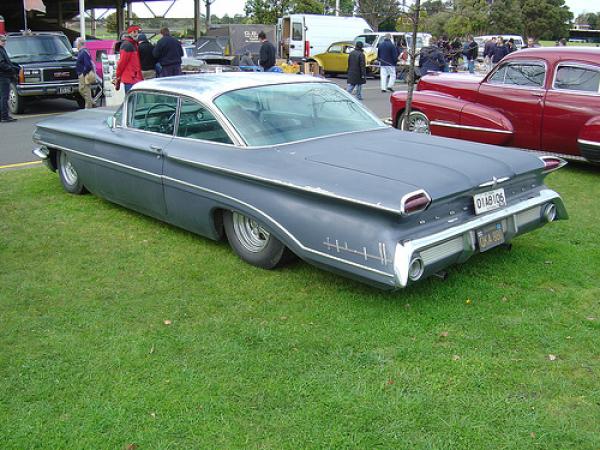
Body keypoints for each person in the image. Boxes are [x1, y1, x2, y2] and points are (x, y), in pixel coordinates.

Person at [116, 25, 143, 93]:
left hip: (134, 77)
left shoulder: (134, 44)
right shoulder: (128, 45)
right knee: (132, 101)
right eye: (134, 32)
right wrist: (118, 76)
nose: (136, 34)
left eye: (137, 32)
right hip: (131, 78)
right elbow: (121, 63)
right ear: (130, 33)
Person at [0, 34, 20, 122]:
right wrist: (12, 69)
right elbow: (2, 64)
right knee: (4, 97)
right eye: (3, 41)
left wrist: (14, 66)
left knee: (2, 96)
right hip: (3, 76)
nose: (4, 42)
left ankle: (2, 116)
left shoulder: (2, 49)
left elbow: (6, 62)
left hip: (4, 75)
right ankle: (4, 116)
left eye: (5, 41)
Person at [74, 37, 95, 109]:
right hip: (81, 74)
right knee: (82, 90)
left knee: (85, 90)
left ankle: (88, 107)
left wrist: (83, 73)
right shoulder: (82, 52)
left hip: (84, 75)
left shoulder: (83, 52)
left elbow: (88, 65)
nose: (76, 45)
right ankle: (91, 102)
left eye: (76, 43)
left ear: (79, 44)